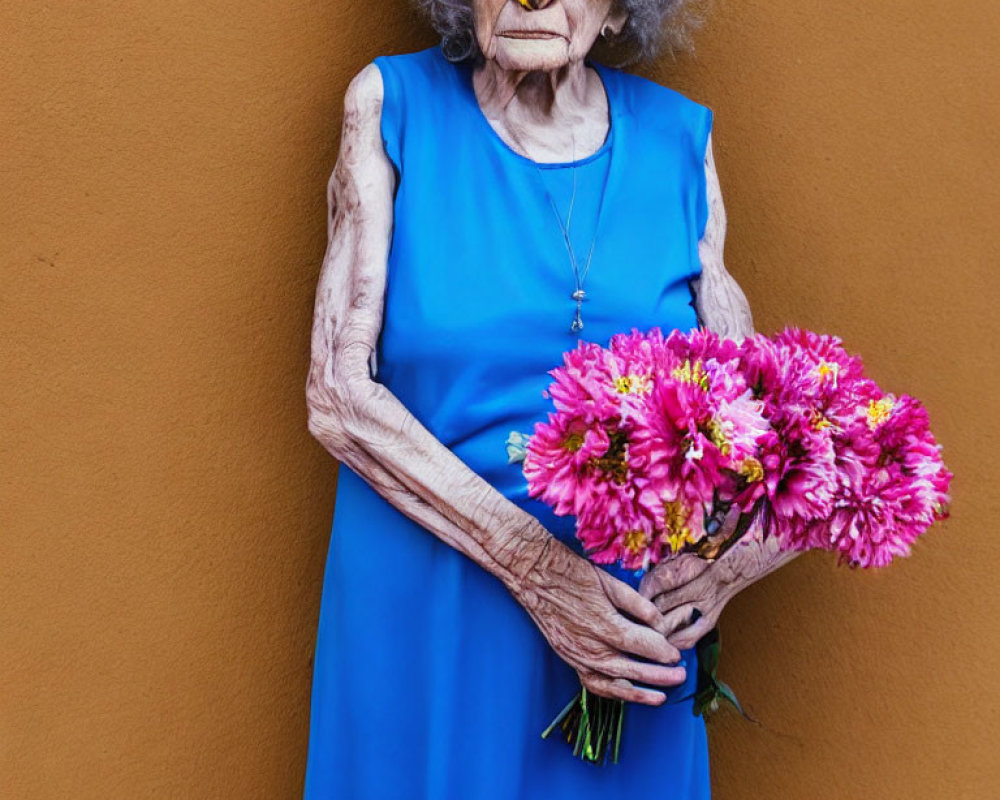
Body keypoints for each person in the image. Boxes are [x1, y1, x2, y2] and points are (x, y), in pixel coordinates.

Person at [303, 1, 799, 796]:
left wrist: (716, 572)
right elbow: (337, 392)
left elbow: (760, 427)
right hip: (434, 602)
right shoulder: (394, 106)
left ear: (619, 12)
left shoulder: (680, 142)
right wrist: (539, 570)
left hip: (618, 644)